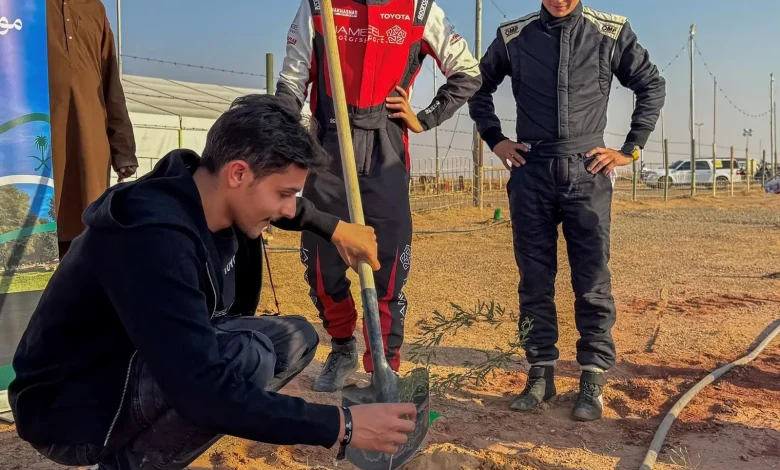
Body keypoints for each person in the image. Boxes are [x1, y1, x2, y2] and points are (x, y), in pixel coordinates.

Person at [9, 95, 417, 469]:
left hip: (131, 360)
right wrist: (342, 425)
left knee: (295, 338)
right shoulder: (152, 235)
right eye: (284, 193)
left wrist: (334, 227)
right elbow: (203, 388)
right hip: (72, 408)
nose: (288, 208)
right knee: (247, 357)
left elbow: (287, 208)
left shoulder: (208, 193)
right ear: (238, 173)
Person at [468, 0, 665, 421]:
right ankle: (540, 373)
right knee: (534, 281)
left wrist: (631, 148)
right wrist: (495, 139)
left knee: (591, 280)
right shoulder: (513, 35)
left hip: (587, 170)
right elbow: (476, 86)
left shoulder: (610, 31)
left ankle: (592, 377)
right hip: (532, 168)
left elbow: (651, 84)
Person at [276, 0, 482, 393]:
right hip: (329, 149)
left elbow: (468, 72)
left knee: (388, 269)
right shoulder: (320, 5)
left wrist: (426, 117)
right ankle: (342, 347)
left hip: (387, 150)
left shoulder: (419, 9)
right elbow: (291, 82)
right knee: (322, 266)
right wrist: (278, 139)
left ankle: (384, 368)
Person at [47, 0, 138, 258]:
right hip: (39, 141)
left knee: (86, 232)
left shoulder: (94, 9)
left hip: (89, 142)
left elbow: (111, 84)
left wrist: (123, 150)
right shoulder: (21, 8)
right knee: (37, 230)